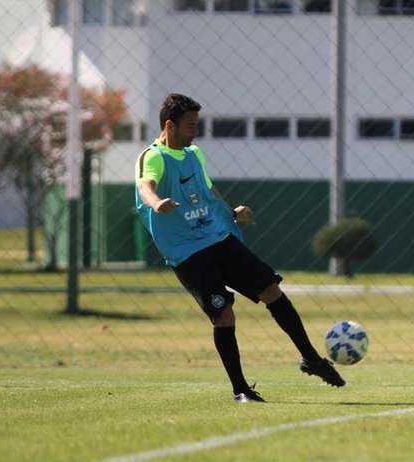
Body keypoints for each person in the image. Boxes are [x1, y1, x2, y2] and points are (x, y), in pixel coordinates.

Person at [135, 94, 345, 403]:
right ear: (170, 125)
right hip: (188, 253)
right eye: (190, 125)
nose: (195, 131)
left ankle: (311, 359)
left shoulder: (194, 154)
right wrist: (157, 203)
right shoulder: (153, 157)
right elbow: (145, 185)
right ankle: (241, 389)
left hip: (217, 237)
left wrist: (231, 212)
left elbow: (207, 191)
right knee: (224, 315)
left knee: (272, 290)